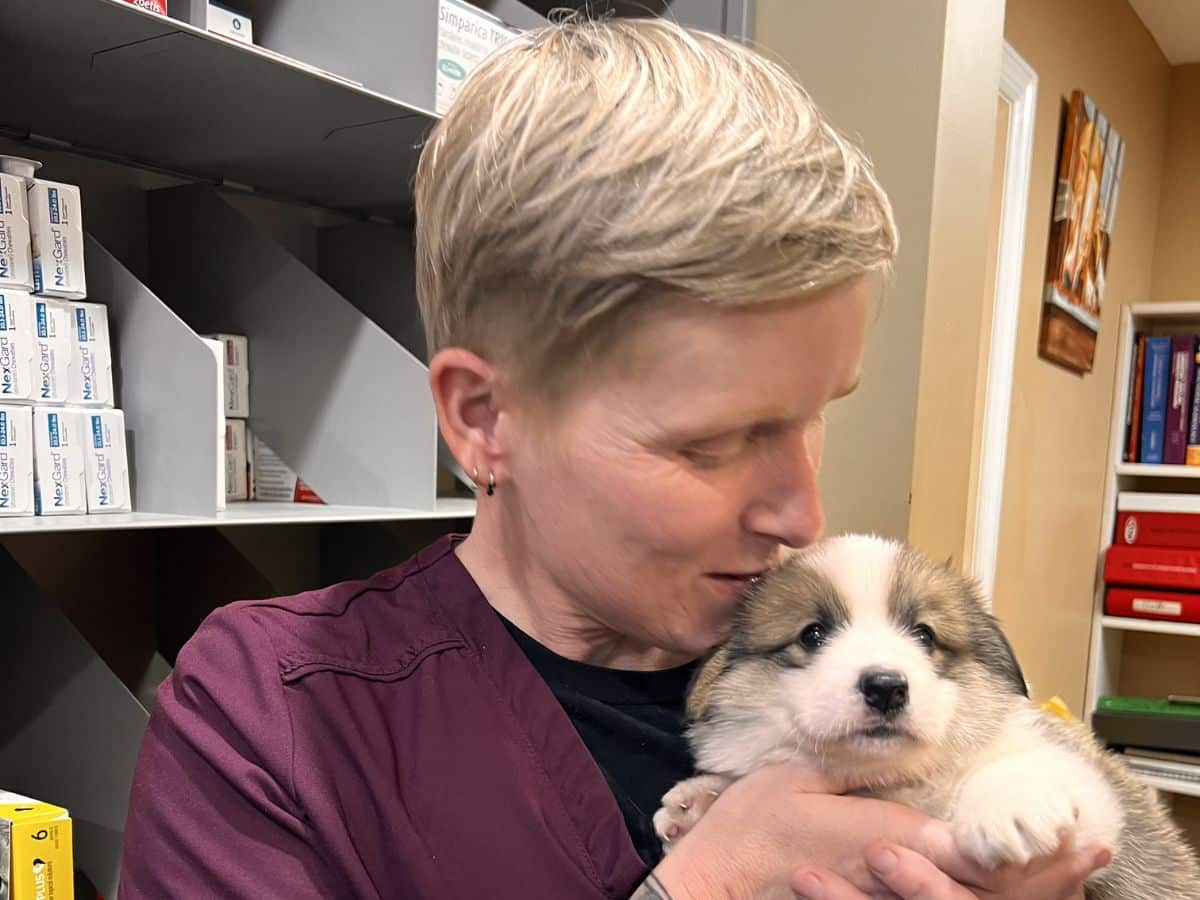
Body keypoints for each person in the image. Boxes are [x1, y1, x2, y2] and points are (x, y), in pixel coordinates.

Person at [117, 17, 1110, 900]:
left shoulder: (938, 674)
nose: (801, 515)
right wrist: (712, 883)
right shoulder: (274, 718)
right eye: (712, 442)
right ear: (483, 419)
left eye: (816, 415)